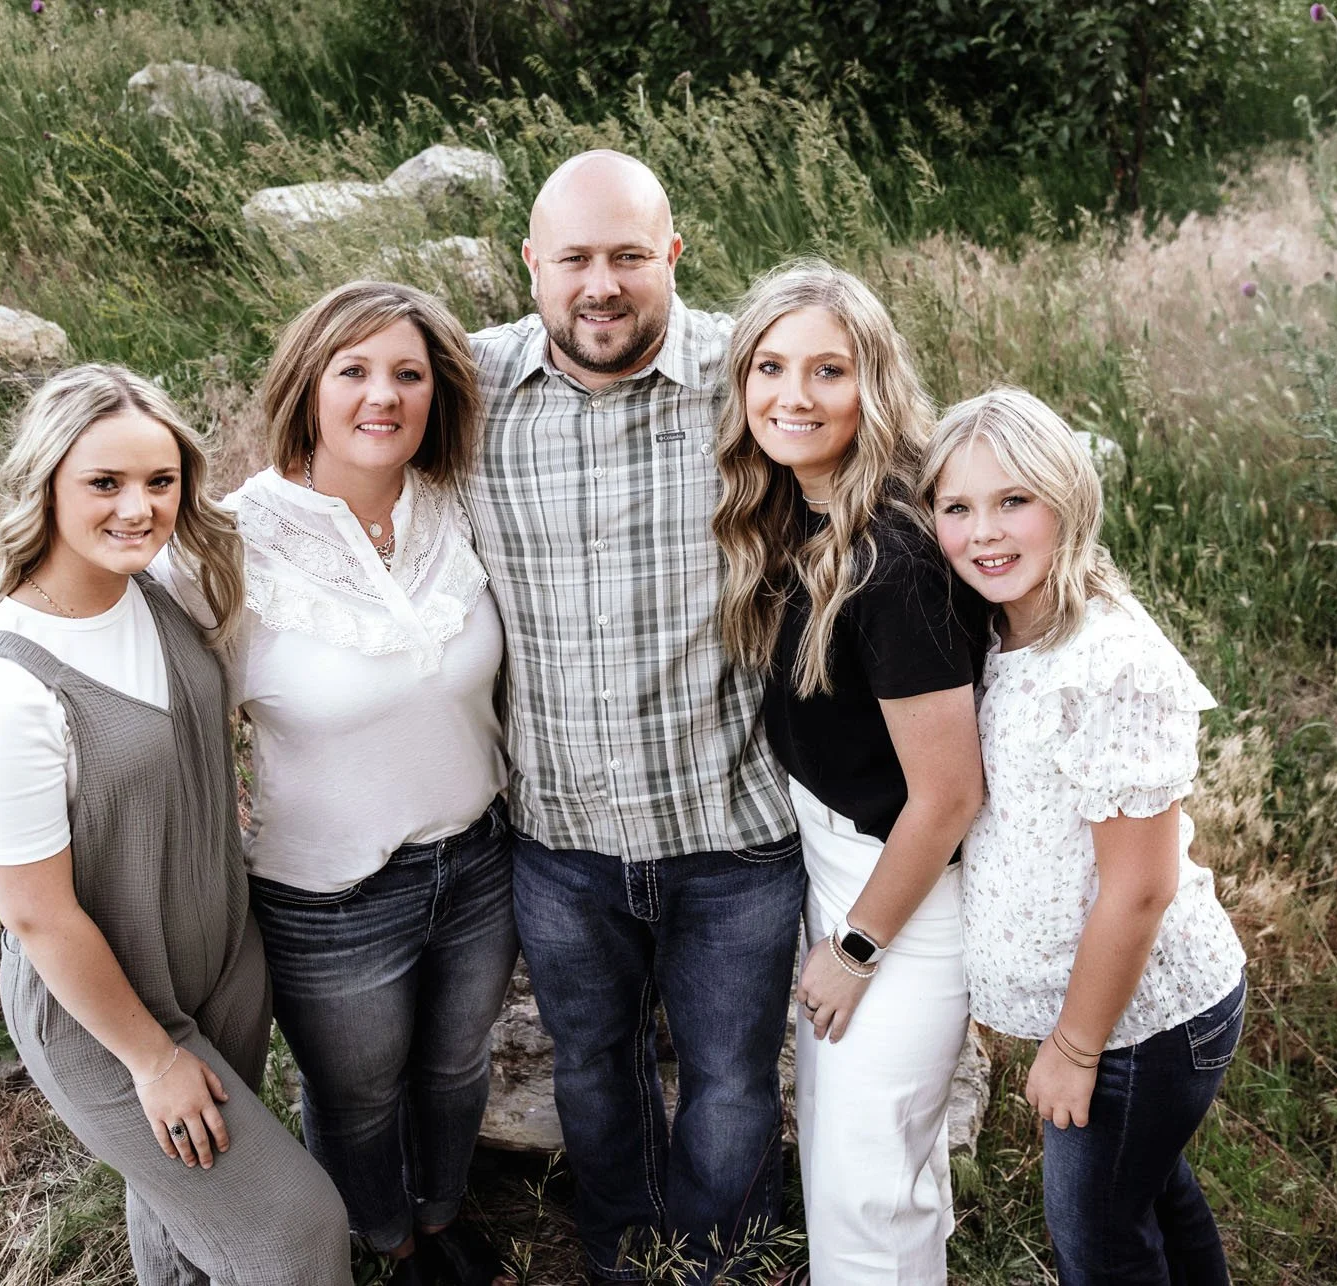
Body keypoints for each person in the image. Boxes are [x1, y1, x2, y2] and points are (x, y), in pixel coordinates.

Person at [461, 151, 802, 1282]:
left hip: (731, 829)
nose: (599, 285)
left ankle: (718, 1262)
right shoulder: (470, 393)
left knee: (731, 1078)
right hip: (560, 836)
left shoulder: (754, 382)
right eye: (573, 260)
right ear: (531, 265)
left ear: (673, 254)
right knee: (594, 1070)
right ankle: (623, 1253)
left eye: (626, 256)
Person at [0, 364, 351, 1286]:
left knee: (184, 1211)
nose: (139, 509)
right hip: (110, 1016)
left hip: (222, 968)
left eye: (159, 482)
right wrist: (152, 1058)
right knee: (297, 1234)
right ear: (46, 483)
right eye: (105, 483)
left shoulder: (162, 590)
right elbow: (37, 917)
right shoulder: (6, 682)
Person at [154, 281, 516, 1286]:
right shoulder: (227, 543)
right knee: (356, 1094)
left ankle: (440, 1216)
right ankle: (385, 1238)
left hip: (479, 859)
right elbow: (139, 676)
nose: (382, 396)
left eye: (407, 373)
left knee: (456, 1066)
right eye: (352, 370)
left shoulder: (458, 505)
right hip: (331, 893)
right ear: (305, 386)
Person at [919, 387, 1249, 1286]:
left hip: (1142, 1024)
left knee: (1097, 1238)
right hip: (1112, 1019)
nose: (984, 531)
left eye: (1013, 500)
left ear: (1067, 500)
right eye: (958, 507)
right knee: (1151, 1197)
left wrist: (1073, 1048)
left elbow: (1140, 886)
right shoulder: (1002, 628)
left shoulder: (1108, 665)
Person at [712, 260, 985, 1284]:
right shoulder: (797, 516)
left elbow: (951, 793)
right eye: (772, 366)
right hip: (841, 873)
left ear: (874, 383)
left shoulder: (894, 556)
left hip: (908, 898)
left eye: (829, 369)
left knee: (865, 1186)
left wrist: (860, 945)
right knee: (853, 1159)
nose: (795, 394)